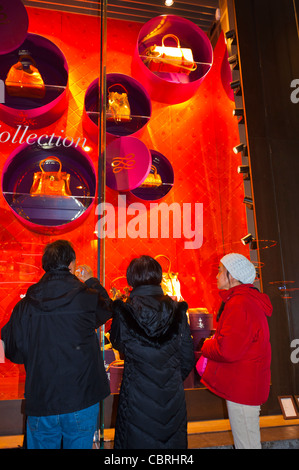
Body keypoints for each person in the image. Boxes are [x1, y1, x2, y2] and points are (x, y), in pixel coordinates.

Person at [1, 240, 113, 449]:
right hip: (82, 396)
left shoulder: (25, 305)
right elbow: (108, 308)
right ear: (71, 265)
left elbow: (12, 348)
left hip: (42, 399)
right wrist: (91, 281)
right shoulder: (86, 297)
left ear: (45, 265)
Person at [109, 255, 195, 449]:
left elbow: (119, 345)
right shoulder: (177, 310)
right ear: (158, 276)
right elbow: (187, 356)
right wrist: (170, 378)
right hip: (172, 398)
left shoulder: (125, 311)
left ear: (131, 280)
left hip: (136, 398)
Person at [200, 253, 272, 449]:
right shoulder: (246, 300)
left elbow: (228, 351)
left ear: (232, 277)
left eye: (219, 271)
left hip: (243, 388)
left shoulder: (240, 304)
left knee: (247, 445)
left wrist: (205, 345)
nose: (216, 276)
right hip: (246, 384)